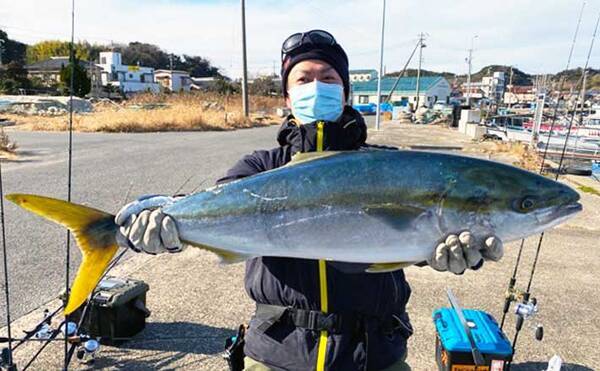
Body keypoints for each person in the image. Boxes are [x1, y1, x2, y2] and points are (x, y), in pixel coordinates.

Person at [115, 30, 504, 371]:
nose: (316, 85)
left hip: (375, 356)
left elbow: (409, 233)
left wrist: (434, 250)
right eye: (304, 78)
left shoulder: (390, 166)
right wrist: (161, 212)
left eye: (328, 77)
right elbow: (216, 204)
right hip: (275, 356)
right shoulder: (260, 166)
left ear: (345, 91)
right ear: (288, 95)